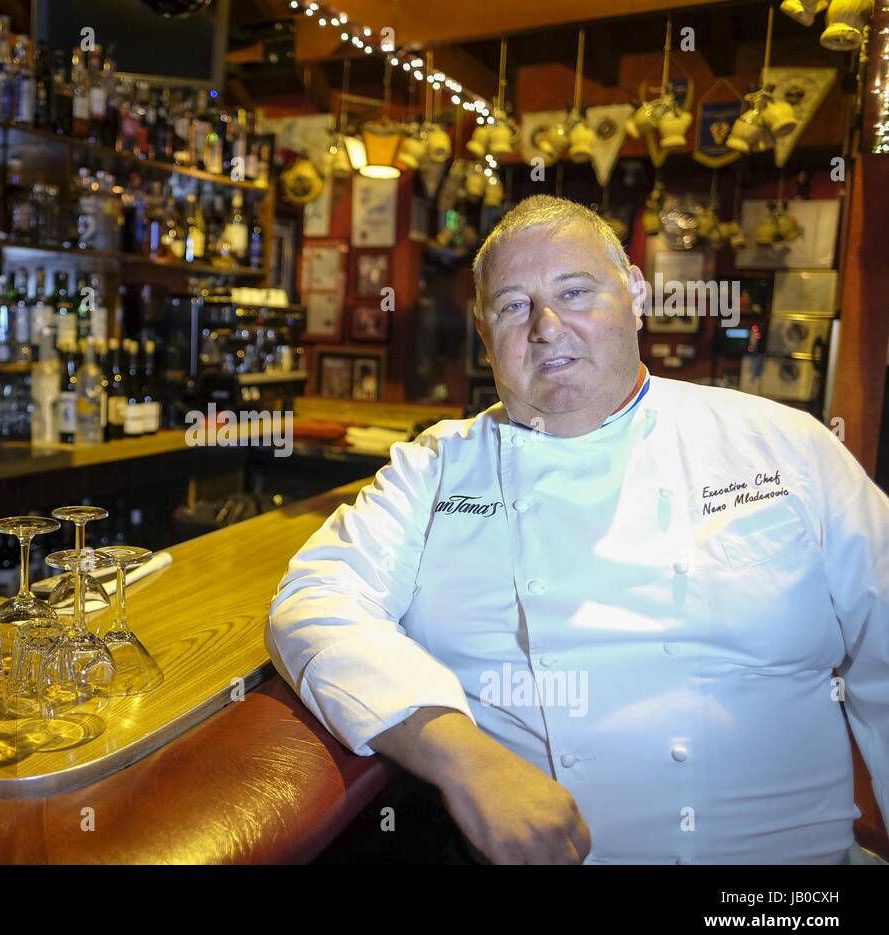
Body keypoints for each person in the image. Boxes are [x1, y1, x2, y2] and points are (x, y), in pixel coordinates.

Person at [266, 195, 889, 864]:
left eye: (575, 289)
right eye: (513, 305)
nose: (547, 326)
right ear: (484, 334)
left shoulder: (782, 445)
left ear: (636, 295)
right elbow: (314, 599)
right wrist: (464, 758)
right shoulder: (439, 465)